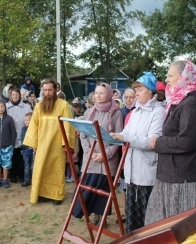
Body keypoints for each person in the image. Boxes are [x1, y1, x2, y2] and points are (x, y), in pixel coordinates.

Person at [145, 60, 196, 225]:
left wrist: (159, 143)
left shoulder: (192, 104)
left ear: (184, 77)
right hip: (173, 174)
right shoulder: (179, 101)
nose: (166, 80)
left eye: (170, 75)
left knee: (181, 227)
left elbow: (187, 142)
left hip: (183, 177)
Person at [110, 72, 165, 233]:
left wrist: (125, 138)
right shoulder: (136, 112)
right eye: (136, 90)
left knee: (146, 218)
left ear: (151, 91)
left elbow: (152, 142)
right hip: (131, 171)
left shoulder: (158, 112)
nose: (137, 93)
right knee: (132, 217)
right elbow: (126, 133)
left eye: (140, 89)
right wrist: (116, 136)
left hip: (147, 172)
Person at [72, 83, 123, 226]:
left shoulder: (116, 113)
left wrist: (104, 155)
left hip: (108, 159)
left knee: (104, 190)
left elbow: (117, 139)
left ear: (108, 94)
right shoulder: (89, 112)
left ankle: (102, 218)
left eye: (101, 93)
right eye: (96, 93)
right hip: (91, 159)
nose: (98, 96)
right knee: (89, 188)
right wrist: (89, 153)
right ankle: (93, 216)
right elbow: (83, 135)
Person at [23, 79, 75, 205]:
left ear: (55, 90)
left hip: (57, 145)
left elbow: (68, 126)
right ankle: (41, 194)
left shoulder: (63, 105)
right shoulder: (39, 106)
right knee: (41, 169)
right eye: (45, 90)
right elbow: (34, 125)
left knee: (56, 170)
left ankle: (56, 195)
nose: (47, 93)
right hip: (42, 145)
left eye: (50, 90)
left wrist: (66, 145)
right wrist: (34, 144)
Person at [5, 88, 33, 183]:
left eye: (17, 94)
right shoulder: (6, 107)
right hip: (11, 136)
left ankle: (22, 175)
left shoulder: (27, 107)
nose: (15, 96)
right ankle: (13, 175)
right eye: (13, 94)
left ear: (20, 95)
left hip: (23, 136)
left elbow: (30, 120)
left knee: (22, 157)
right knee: (12, 156)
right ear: (11, 96)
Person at [0, 100, 17, 188]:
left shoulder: (9, 119)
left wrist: (11, 144)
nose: (1, 108)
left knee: (6, 164)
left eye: (2, 106)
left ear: (5, 107)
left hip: (7, 146)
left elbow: (13, 132)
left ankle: (5, 179)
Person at [18, 112, 34, 187]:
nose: (26, 122)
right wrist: (23, 147)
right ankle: (26, 180)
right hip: (25, 151)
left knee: (33, 166)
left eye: (28, 120)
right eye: (25, 120)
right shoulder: (23, 129)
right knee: (27, 166)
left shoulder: (35, 129)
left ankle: (34, 180)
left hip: (33, 151)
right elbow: (21, 139)